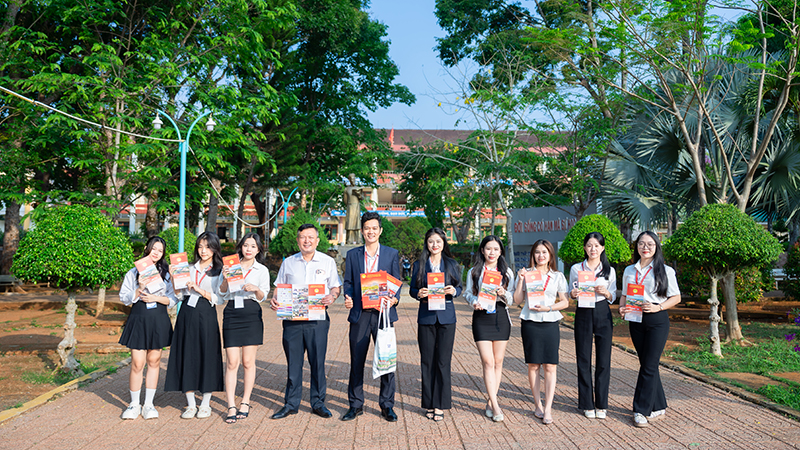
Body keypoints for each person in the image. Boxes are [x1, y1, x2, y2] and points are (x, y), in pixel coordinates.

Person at [269, 224, 341, 420]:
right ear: (298, 240)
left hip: (317, 321)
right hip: (292, 320)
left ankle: (318, 403)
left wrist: (333, 296)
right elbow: (279, 287)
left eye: (310, 237)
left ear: (317, 240)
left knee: (317, 363)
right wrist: (275, 299)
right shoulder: (289, 262)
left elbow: (335, 287)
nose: (306, 241)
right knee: (294, 363)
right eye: (303, 237)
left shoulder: (327, 261)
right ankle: (291, 404)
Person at [341, 211, 402, 422]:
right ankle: (355, 404)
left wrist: (394, 300)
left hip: (383, 314)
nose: (371, 232)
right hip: (360, 315)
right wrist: (348, 296)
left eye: (374, 228)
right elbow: (348, 282)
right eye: (367, 228)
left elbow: (396, 283)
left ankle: (387, 405)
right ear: (362, 231)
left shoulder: (391, 254)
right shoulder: (353, 255)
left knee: (386, 360)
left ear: (380, 231)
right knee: (356, 361)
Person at [618, 231, 681, 428]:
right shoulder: (629, 270)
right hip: (635, 319)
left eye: (650, 244)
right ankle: (659, 405)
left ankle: (640, 410)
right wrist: (621, 308)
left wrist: (658, 307)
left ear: (656, 247)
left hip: (657, 319)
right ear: (636, 246)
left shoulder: (666, 270)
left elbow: (676, 297)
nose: (645, 247)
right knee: (647, 363)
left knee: (649, 365)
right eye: (641, 244)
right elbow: (624, 295)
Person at [165, 231, 225, 419]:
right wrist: (173, 277)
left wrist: (200, 290)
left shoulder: (220, 271)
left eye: (207, 247)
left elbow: (220, 298)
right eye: (200, 247)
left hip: (206, 313)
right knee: (187, 354)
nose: (203, 251)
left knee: (208, 355)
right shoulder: (189, 268)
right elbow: (179, 294)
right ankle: (191, 404)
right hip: (187, 314)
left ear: (215, 248)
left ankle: (205, 403)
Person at [118, 236, 177, 420]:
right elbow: (123, 297)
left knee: (154, 360)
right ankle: (134, 404)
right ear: (146, 248)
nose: (156, 253)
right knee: (137, 362)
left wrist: (156, 298)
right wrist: (139, 289)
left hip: (158, 318)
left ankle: (149, 404)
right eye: (154, 248)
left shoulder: (166, 274)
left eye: (160, 250)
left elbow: (173, 298)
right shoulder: (133, 272)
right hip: (139, 318)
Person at [409, 228, 463, 422]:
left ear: (443, 243)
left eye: (438, 241)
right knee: (427, 361)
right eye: (431, 241)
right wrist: (418, 293)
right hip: (426, 317)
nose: (435, 245)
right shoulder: (419, 264)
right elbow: (412, 289)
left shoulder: (451, 264)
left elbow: (459, 287)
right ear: (427, 243)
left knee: (443, 361)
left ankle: (440, 404)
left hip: (446, 318)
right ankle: (429, 403)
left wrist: (453, 291)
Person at [513, 239, 569, 425]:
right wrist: (520, 280)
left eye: (545, 252)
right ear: (533, 255)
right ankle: (538, 405)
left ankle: (549, 408)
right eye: (537, 252)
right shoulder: (526, 274)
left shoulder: (557, 276)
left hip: (550, 322)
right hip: (530, 322)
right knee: (533, 365)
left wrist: (549, 308)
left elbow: (565, 302)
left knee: (550, 366)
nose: (541, 255)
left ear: (551, 255)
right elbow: (517, 300)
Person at [219, 233, 271, 424]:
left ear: (258, 250)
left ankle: (246, 401)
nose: (249, 249)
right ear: (241, 247)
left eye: (253, 246)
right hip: (232, 313)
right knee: (232, 362)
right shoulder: (230, 265)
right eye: (246, 245)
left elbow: (263, 296)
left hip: (251, 314)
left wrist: (256, 288)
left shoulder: (262, 270)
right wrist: (225, 279)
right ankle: (231, 405)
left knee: (248, 362)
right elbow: (221, 292)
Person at [464, 235, 515, 422]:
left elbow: (512, 300)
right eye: (488, 248)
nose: (491, 252)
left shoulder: (507, 272)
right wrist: (474, 301)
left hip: (500, 316)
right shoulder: (474, 271)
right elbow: (467, 293)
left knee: (498, 362)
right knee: (488, 361)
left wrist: (504, 293)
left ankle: (490, 402)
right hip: (481, 317)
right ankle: (496, 405)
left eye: (495, 249)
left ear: (501, 251)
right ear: (482, 250)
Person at [568, 232, 617, 420]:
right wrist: (573, 294)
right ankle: (587, 403)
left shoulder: (609, 270)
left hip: (602, 311)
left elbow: (613, 296)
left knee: (604, 359)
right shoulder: (576, 268)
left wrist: (606, 292)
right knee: (583, 357)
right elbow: (571, 292)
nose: (593, 249)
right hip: (583, 311)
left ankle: (602, 404)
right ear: (584, 248)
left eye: (596, 245)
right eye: (589, 245)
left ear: (602, 248)